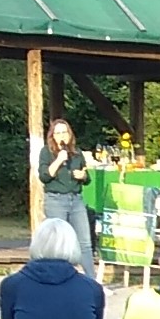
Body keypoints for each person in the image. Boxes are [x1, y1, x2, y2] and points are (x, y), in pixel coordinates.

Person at [38, 118, 95, 278]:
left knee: (85, 243)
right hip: (56, 200)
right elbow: (44, 176)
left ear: (70, 135)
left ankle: (92, 281)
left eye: (64, 132)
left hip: (75, 200)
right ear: (52, 136)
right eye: (58, 133)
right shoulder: (46, 152)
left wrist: (83, 176)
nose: (61, 136)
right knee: (58, 242)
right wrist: (58, 160)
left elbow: (87, 178)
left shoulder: (77, 153)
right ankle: (57, 278)